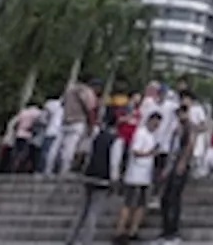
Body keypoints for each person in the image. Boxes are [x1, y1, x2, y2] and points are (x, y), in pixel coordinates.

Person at [65, 118, 124, 245]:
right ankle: (87, 240)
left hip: (89, 175)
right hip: (103, 178)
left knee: (82, 210)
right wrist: (115, 180)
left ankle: (71, 238)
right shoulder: (117, 140)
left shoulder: (96, 136)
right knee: (94, 212)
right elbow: (115, 161)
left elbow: (87, 152)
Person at [113, 110, 160, 245]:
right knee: (129, 204)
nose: (156, 126)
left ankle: (133, 230)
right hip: (135, 174)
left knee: (141, 204)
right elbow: (135, 151)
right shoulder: (141, 133)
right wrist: (150, 153)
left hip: (145, 175)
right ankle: (120, 230)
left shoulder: (152, 136)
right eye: (154, 122)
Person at [158, 98, 197, 245]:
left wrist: (183, 162)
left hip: (180, 164)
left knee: (174, 198)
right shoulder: (177, 128)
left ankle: (173, 232)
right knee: (166, 198)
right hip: (171, 164)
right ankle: (166, 230)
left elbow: (189, 145)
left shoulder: (189, 127)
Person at [59, 77, 100, 175]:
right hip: (78, 121)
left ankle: (55, 168)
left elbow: (62, 104)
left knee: (61, 147)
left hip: (65, 121)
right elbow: (90, 110)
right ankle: (64, 170)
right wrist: (92, 125)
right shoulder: (87, 92)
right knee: (71, 148)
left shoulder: (70, 90)